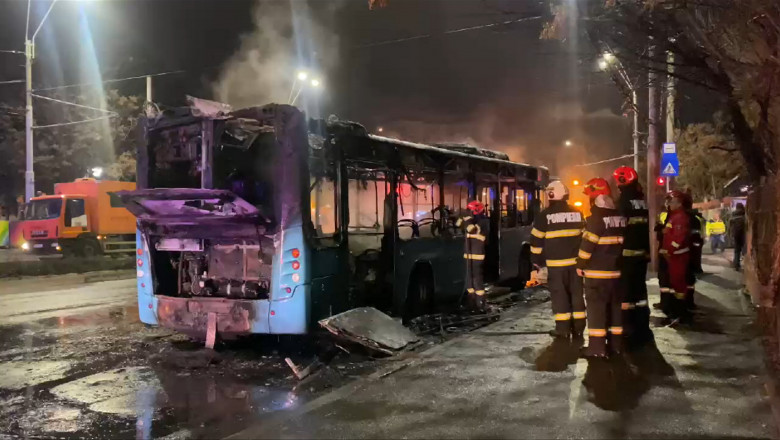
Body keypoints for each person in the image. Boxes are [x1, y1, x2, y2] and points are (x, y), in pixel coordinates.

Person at [578, 178, 627, 358]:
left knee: (596, 311)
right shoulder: (619, 218)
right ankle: (616, 346)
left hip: (597, 275)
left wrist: (580, 264)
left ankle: (597, 349)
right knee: (615, 310)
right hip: (616, 273)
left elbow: (587, 246)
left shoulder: (596, 220)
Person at [530, 180, 586, 338]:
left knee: (560, 295)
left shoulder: (544, 216)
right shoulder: (577, 212)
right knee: (576, 294)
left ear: (551, 194)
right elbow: (585, 238)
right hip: (576, 264)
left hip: (555, 266)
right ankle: (579, 327)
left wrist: (537, 262)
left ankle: (563, 329)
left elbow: (535, 242)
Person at [613, 166, 651, 346]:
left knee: (626, 293)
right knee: (640, 291)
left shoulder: (623, 202)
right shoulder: (641, 200)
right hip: (640, 255)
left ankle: (627, 326)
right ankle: (642, 323)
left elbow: (619, 228)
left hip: (626, 255)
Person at [660, 191, 693, 323]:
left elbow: (678, 238)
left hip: (677, 256)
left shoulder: (679, 217)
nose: (669, 204)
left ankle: (679, 313)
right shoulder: (675, 216)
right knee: (675, 284)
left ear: (679, 202)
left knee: (679, 285)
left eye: (671, 201)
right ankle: (677, 312)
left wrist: (669, 250)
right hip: (674, 256)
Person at [457, 200, 490, 312]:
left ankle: (480, 303)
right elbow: (457, 225)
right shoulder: (470, 220)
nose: (469, 213)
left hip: (477, 257)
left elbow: (472, 229)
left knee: (477, 281)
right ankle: (471, 302)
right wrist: (461, 217)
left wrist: (466, 220)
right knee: (469, 282)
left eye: (471, 211)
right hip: (468, 256)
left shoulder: (483, 222)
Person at [730, 203, 747, 270]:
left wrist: (730, 235)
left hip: (735, 235)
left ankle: (736, 264)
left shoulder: (733, 215)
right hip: (743, 234)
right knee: (744, 250)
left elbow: (730, 227)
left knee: (737, 250)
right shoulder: (744, 215)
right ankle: (745, 264)